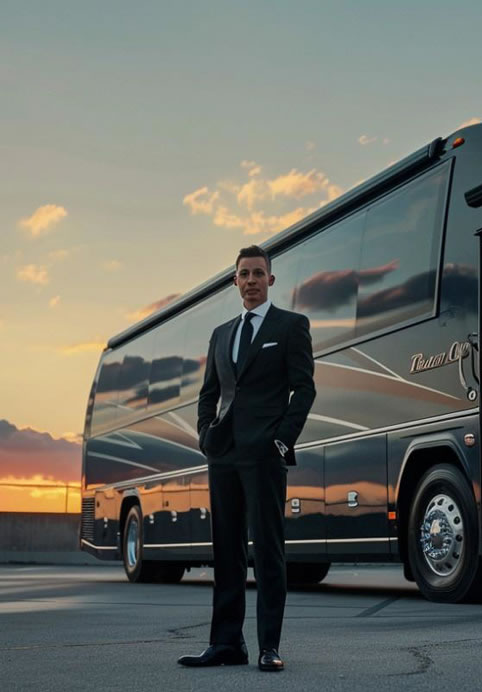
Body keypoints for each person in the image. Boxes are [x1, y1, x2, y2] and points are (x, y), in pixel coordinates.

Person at [179, 244, 316, 672]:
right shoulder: (221, 334)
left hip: (264, 456)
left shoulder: (291, 326)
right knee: (227, 551)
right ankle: (225, 644)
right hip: (223, 456)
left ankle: (268, 647)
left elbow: (304, 389)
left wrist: (281, 441)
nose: (252, 280)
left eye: (259, 273)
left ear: (270, 280)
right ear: (235, 281)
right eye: (244, 273)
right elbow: (208, 394)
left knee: (269, 551)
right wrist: (206, 436)